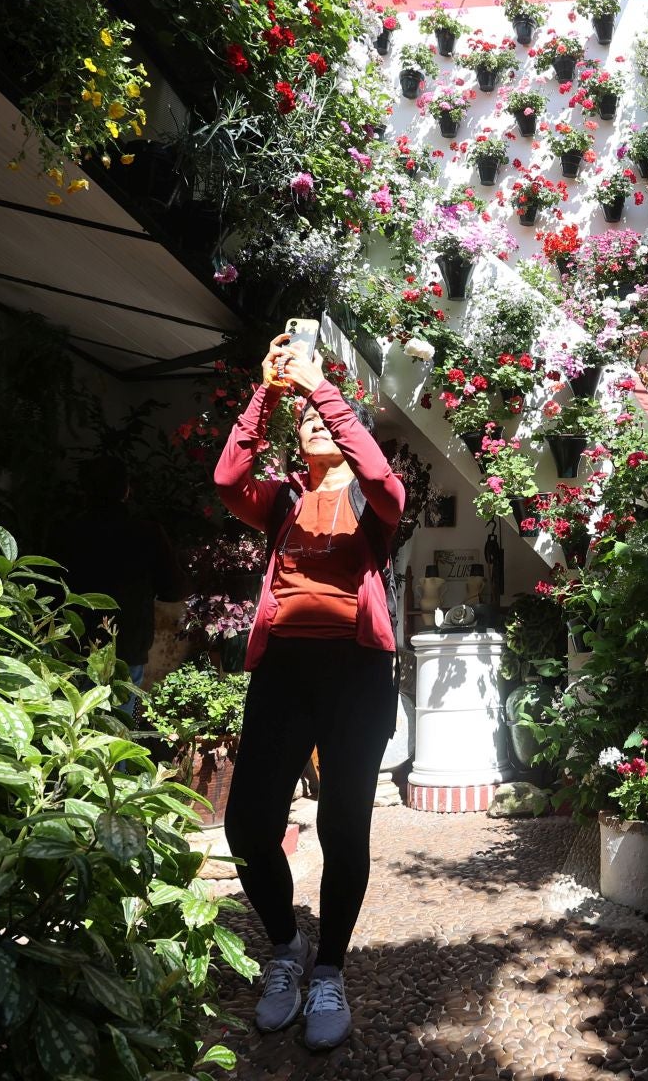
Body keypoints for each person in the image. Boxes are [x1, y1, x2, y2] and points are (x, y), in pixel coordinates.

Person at [213, 333, 404, 1052]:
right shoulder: (282, 500)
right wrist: (268, 392)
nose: (318, 422)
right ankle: (288, 946)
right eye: (309, 420)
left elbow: (383, 478)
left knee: (342, 826)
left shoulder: (371, 500)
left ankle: (329, 970)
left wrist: (320, 387)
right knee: (247, 826)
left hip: (357, 675)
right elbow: (228, 480)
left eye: (329, 417)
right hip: (284, 672)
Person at [56, 454, 187, 694]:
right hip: (127, 642)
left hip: (77, 641)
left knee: (75, 711)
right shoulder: (146, 532)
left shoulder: (69, 532)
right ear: (126, 489)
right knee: (119, 713)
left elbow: (54, 589)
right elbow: (174, 589)